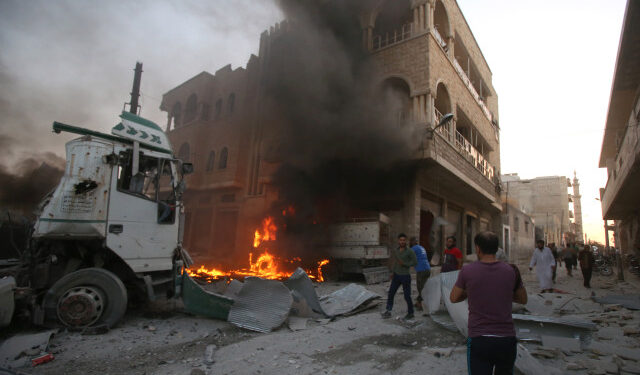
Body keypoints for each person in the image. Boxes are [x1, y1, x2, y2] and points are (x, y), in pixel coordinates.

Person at [450, 231, 527, 375]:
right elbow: (523, 299)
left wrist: (473, 292)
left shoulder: (467, 271)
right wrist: (501, 293)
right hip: (506, 339)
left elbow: (453, 298)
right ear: (497, 248)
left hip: (479, 339)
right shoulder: (511, 270)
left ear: (477, 249)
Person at [382, 233, 418, 320]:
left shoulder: (410, 251)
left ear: (406, 241)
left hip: (405, 276)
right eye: (401, 240)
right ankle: (388, 311)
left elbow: (415, 262)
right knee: (391, 293)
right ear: (398, 241)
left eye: (404, 240)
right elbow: (395, 262)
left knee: (407, 296)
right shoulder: (396, 251)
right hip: (396, 276)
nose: (402, 241)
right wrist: (392, 272)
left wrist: (405, 264)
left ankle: (411, 313)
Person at [410, 237, 431, 311]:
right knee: (422, 287)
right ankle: (419, 301)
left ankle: (422, 305)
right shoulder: (421, 247)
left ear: (412, 242)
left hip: (421, 270)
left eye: (411, 242)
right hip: (427, 268)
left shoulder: (414, 248)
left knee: (421, 288)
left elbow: (408, 255)